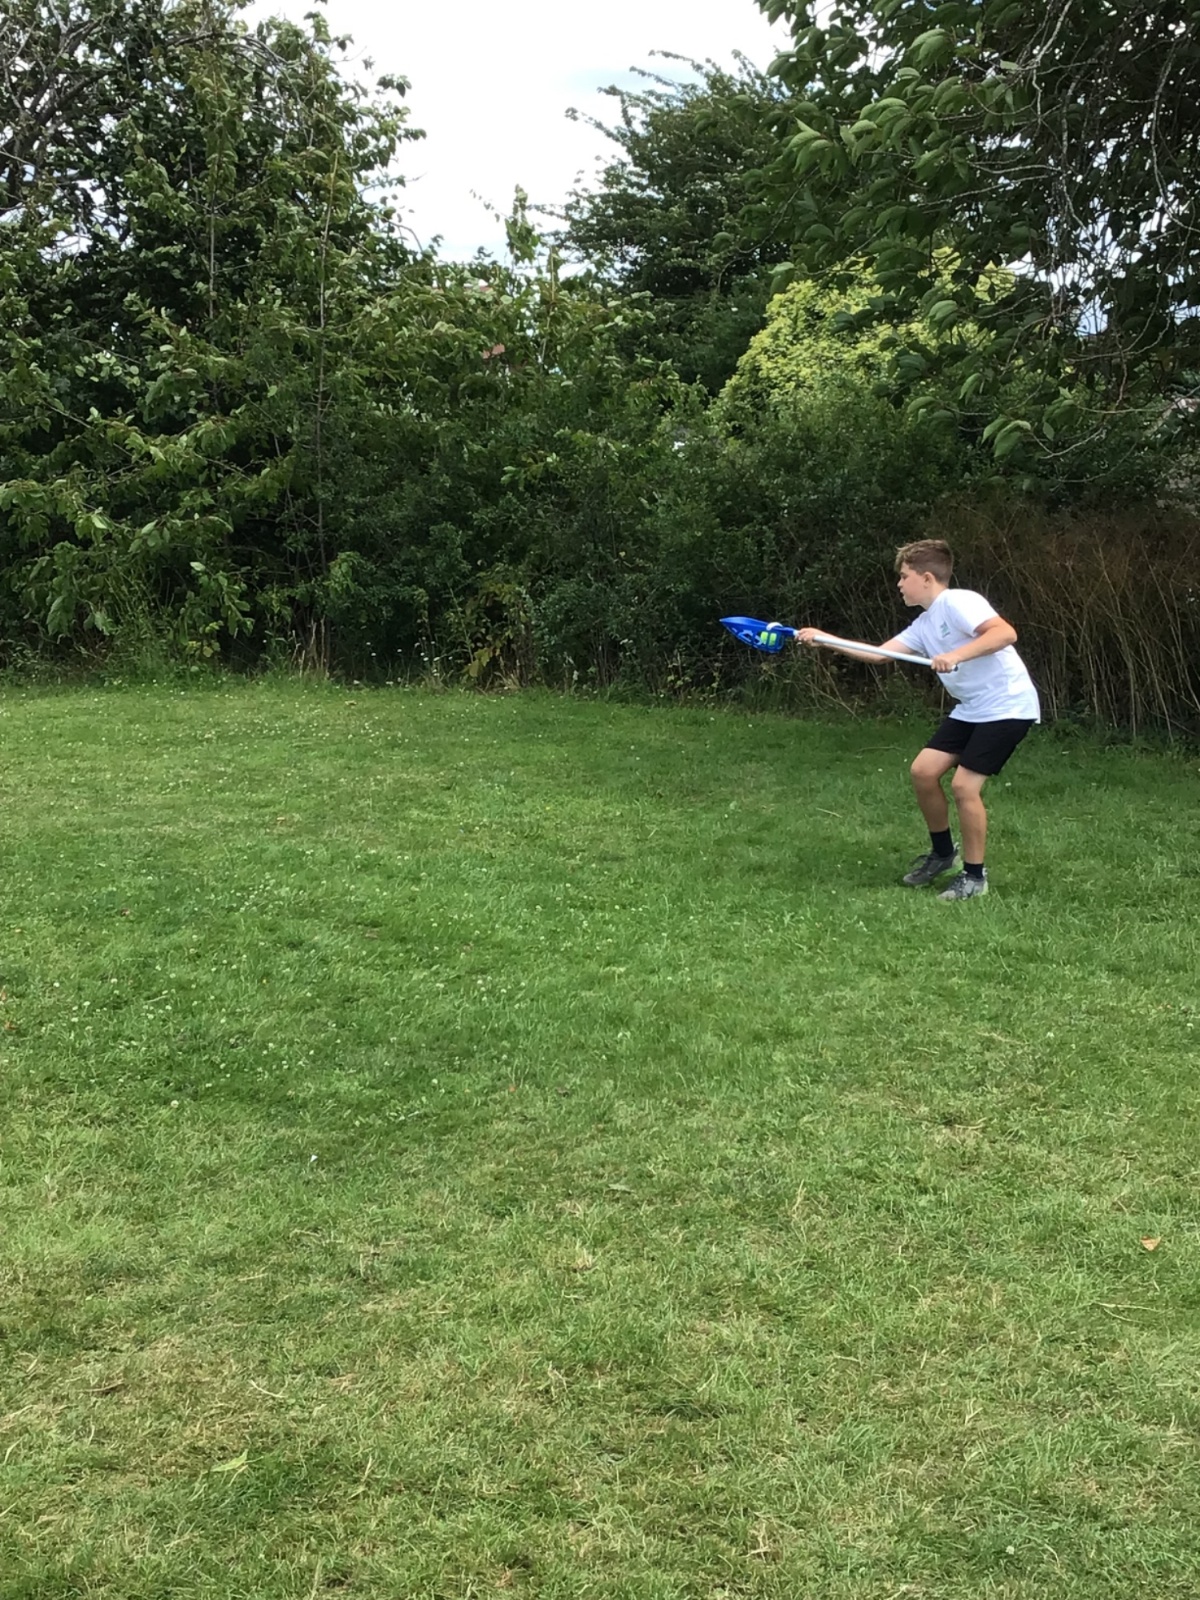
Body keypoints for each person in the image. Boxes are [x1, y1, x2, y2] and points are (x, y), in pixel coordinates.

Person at [796, 539, 1040, 900]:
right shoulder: (924, 624)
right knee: (923, 772)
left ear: (927, 578)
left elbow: (1004, 633)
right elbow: (879, 655)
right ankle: (943, 855)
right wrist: (825, 639)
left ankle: (975, 877)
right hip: (972, 707)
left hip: (1007, 705)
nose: (899, 584)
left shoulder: (959, 601)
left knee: (964, 787)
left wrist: (956, 655)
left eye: (904, 576)